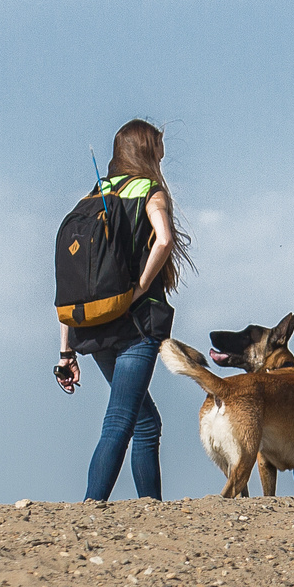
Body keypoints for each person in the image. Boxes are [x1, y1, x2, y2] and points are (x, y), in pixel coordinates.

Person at [54, 120, 190, 501]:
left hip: (93, 327)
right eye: (160, 146)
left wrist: (66, 352)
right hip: (135, 325)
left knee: (146, 422)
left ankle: (151, 507)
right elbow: (163, 240)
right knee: (120, 422)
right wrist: (141, 288)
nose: (164, 152)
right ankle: (91, 506)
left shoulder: (93, 195)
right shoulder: (150, 190)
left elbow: (70, 282)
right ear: (148, 150)